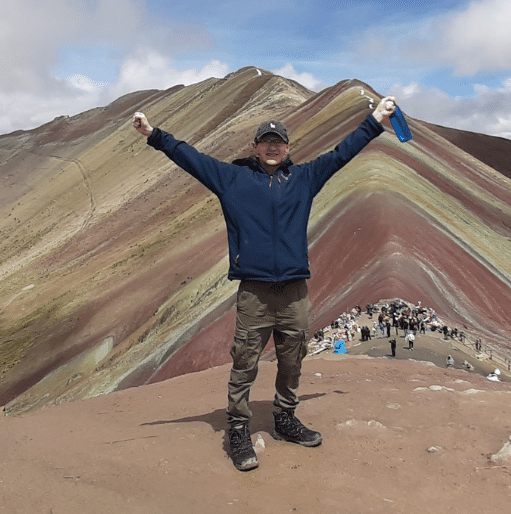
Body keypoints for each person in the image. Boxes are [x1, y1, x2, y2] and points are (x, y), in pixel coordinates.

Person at [132, 93, 400, 471]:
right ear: (255, 147)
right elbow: (189, 157)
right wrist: (153, 134)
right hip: (255, 290)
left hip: (294, 290)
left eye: (279, 142)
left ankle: (285, 418)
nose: (272, 148)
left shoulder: (304, 179)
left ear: (288, 148)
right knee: (245, 361)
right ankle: (238, 429)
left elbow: (342, 153)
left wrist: (376, 119)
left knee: (293, 359)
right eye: (266, 142)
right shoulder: (232, 178)